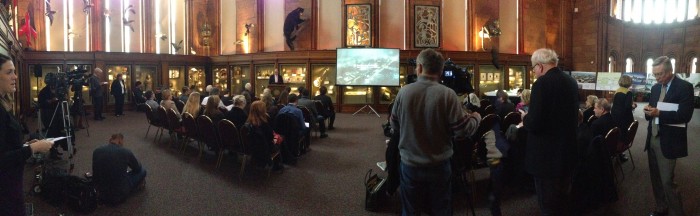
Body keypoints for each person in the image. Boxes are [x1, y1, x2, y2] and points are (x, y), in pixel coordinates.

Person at [391, 48, 480, 215]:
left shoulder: (404, 92)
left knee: (411, 211)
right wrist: (476, 116)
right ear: (440, 71)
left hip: (410, 165)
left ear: (419, 68)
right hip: (439, 166)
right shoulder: (448, 95)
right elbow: (463, 130)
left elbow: (394, 125)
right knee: (441, 210)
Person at [521, 48, 579, 215]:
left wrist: (525, 118)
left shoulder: (541, 84)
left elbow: (535, 122)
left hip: (546, 158)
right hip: (567, 152)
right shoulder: (571, 81)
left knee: (548, 204)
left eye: (533, 69)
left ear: (539, 66)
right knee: (563, 200)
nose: (534, 73)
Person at [0, 54, 53, 215]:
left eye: (15, 72)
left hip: (12, 178)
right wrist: (34, 148)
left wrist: (25, 146)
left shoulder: (4, 105)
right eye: (9, 72)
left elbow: (6, 144)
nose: (15, 76)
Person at [643, 56, 694, 216]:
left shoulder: (685, 87)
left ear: (670, 71)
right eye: (655, 74)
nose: (657, 78)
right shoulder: (656, 88)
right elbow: (652, 110)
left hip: (668, 141)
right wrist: (648, 112)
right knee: (656, 179)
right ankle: (661, 208)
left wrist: (660, 113)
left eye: (660, 74)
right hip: (652, 138)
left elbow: (685, 116)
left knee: (667, 182)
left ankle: (677, 213)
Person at [92, 133, 146, 205]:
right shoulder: (126, 152)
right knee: (143, 171)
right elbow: (137, 169)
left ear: (110, 140)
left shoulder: (96, 151)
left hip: (101, 194)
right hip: (120, 195)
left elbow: (95, 174)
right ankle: (132, 188)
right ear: (120, 142)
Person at [245, 101, 282, 170]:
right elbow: (271, 138)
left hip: (252, 147)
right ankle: (277, 165)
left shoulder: (247, 122)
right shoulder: (264, 123)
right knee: (279, 138)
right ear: (262, 110)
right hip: (266, 148)